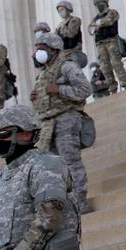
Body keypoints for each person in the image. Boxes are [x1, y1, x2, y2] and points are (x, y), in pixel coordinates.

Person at [0, 105, 81, 250]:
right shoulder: (2, 175)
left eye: (4, 134)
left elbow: (49, 219)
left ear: (26, 134)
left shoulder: (45, 164)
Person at [30, 32, 93, 214]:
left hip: (67, 119)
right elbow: (44, 99)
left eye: (42, 48)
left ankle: (80, 201)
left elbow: (85, 89)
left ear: (53, 49)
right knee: (54, 167)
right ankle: (66, 204)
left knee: (71, 162)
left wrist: (59, 89)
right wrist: (35, 97)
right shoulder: (43, 74)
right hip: (47, 125)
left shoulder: (66, 67)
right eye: (38, 49)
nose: (38, 52)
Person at [89, 0, 126, 94]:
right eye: (97, 4)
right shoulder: (95, 18)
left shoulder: (112, 12)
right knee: (105, 67)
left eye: (101, 3)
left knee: (116, 64)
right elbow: (90, 30)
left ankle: (125, 85)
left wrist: (99, 24)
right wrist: (97, 24)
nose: (99, 5)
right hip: (100, 44)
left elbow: (109, 21)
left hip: (111, 41)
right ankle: (112, 89)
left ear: (106, 3)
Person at [54, 1, 86, 67]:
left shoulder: (74, 20)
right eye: (59, 11)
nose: (60, 12)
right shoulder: (61, 24)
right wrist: (57, 29)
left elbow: (71, 34)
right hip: (63, 52)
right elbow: (55, 38)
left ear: (68, 9)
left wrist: (63, 26)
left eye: (62, 10)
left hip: (73, 51)